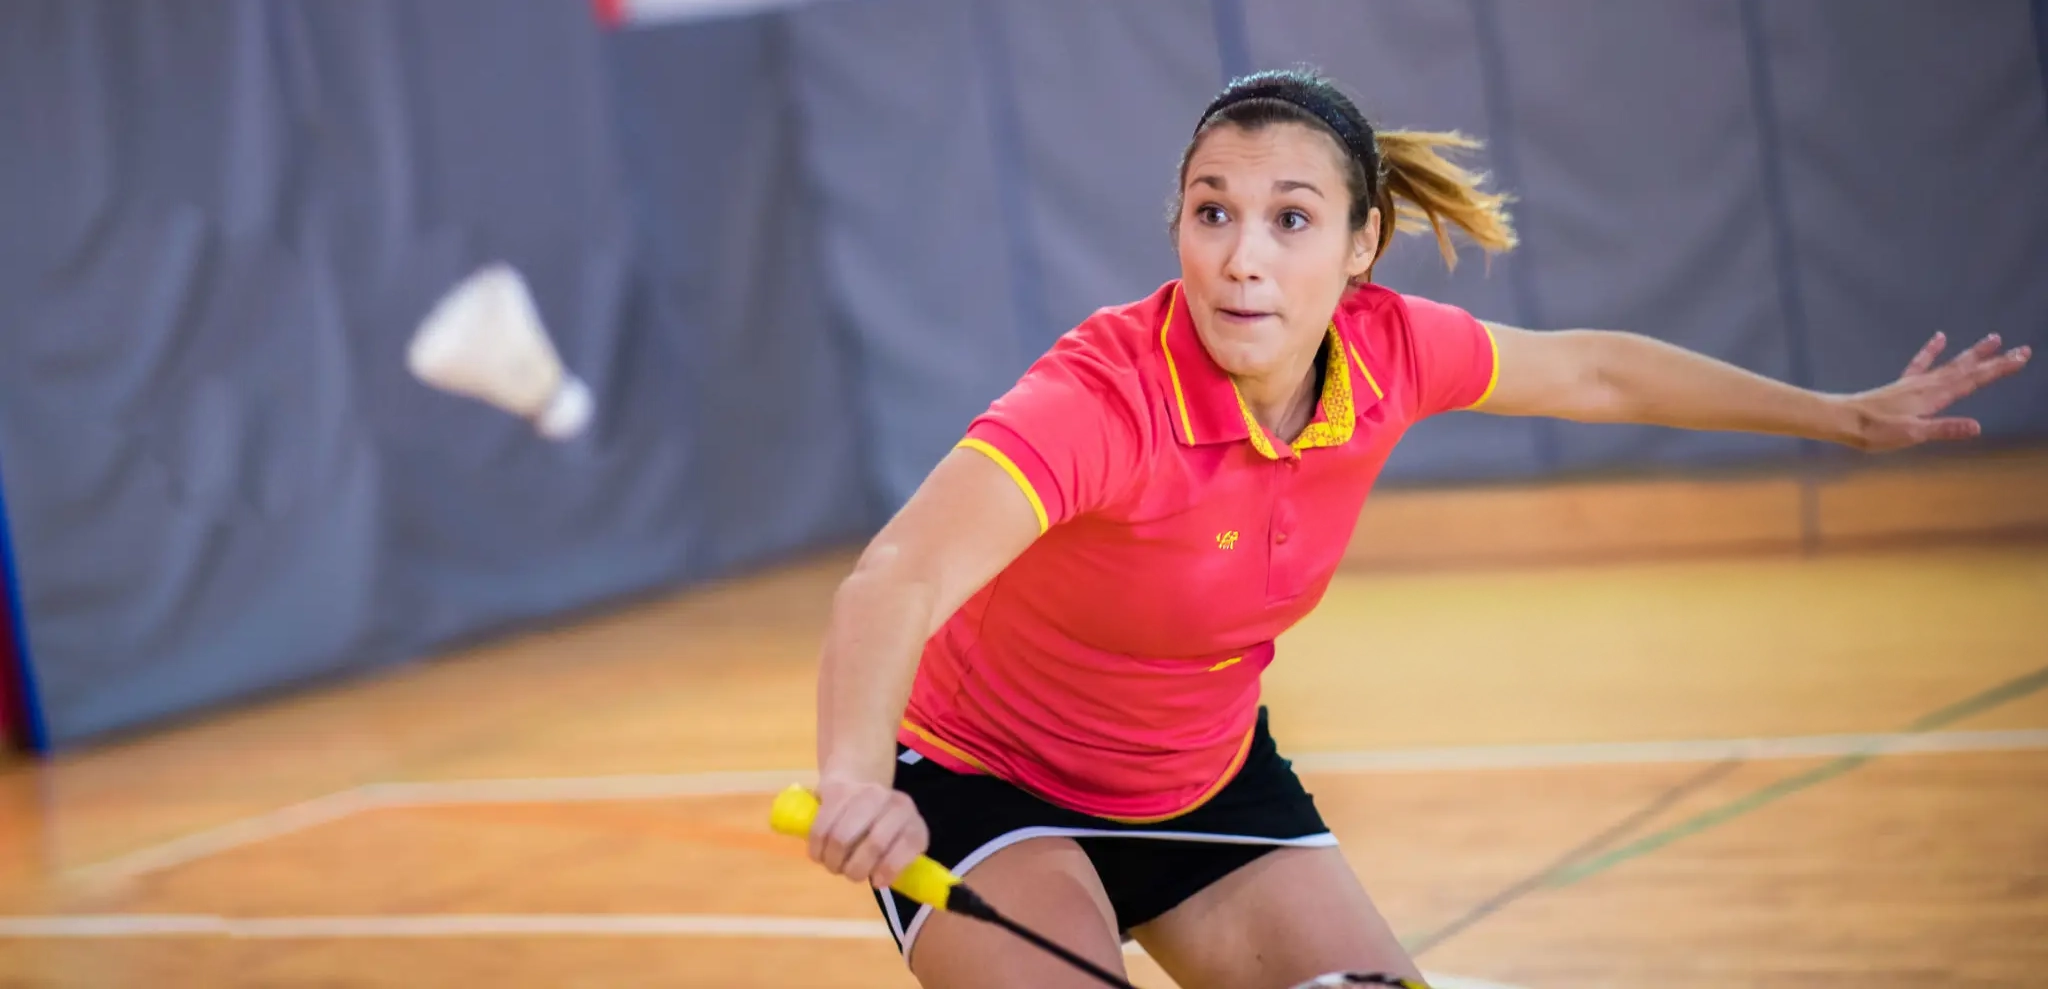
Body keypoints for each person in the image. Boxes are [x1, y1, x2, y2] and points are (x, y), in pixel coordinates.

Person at [800, 68, 2031, 989]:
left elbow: (1595, 373)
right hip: (983, 785)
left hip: (1200, 784)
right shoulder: (1100, 397)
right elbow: (898, 575)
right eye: (1209, 211)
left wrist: (1835, 417)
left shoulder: (1388, 351)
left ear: (1358, 246)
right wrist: (856, 776)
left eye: (1289, 219)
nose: (1239, 258)